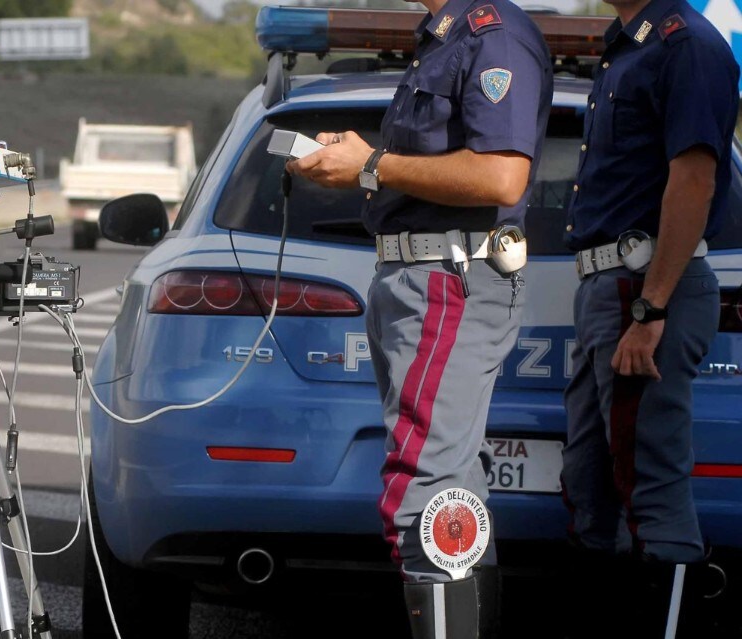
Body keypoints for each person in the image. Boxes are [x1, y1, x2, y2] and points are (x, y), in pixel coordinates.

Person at [287, 0, 553, 636]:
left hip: (450, 278)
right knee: (452, 490)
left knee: (424, 494)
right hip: (416, 277)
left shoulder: (495, 35)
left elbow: (501, 176)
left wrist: (372, 165)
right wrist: (359, 164)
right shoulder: (446, 37)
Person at [559, 0, 739, 634]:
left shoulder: (685, 44)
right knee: (590, 484)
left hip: (646, 287)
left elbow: (694, 180)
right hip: (611, 288)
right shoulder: (629, 43)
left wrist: (651, 306)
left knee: (651, 489)